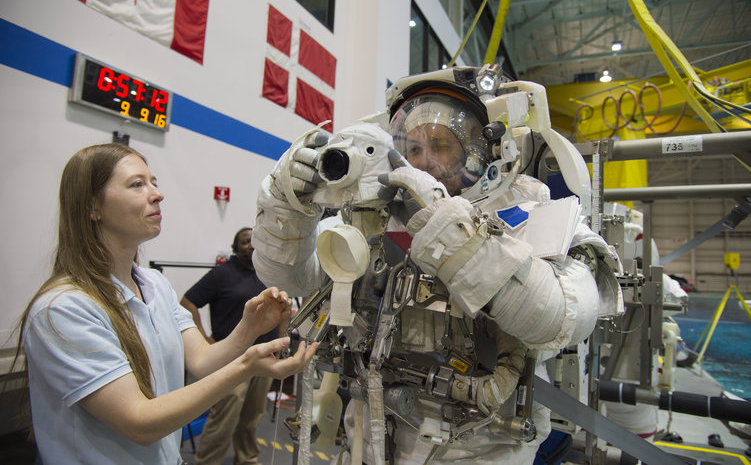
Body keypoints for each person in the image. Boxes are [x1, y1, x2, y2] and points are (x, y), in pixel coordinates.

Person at [252, 66, 621, 464]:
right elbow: (290, 276)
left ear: (480, 151)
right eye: (413, 149)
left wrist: (446, 228)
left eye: (442, 145)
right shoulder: (375, 218)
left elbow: (563, 318)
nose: (425, 161)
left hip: (481, 447)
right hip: (370, 434)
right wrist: (285, 206)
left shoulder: (530, 209)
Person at [12, 143, 318, 465]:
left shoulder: (154, 284)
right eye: (136, 184)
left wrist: (249, 328)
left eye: (154, 182)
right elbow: (139, 422)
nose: (157, 194)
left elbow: (201, 360)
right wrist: (246, 366)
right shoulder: (64, 309)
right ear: (93, 207)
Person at [180, 227, 276, 465]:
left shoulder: (268, 273)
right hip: (232, 359)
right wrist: (204, 341)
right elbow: (188, 302)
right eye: (245, 242)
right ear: (235, 248)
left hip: (263, 356)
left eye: (255, 241)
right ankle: (208, 461)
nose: (251, 245)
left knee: (252, 415)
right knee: (225, 416)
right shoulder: (222, 274)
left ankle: (247, 458)